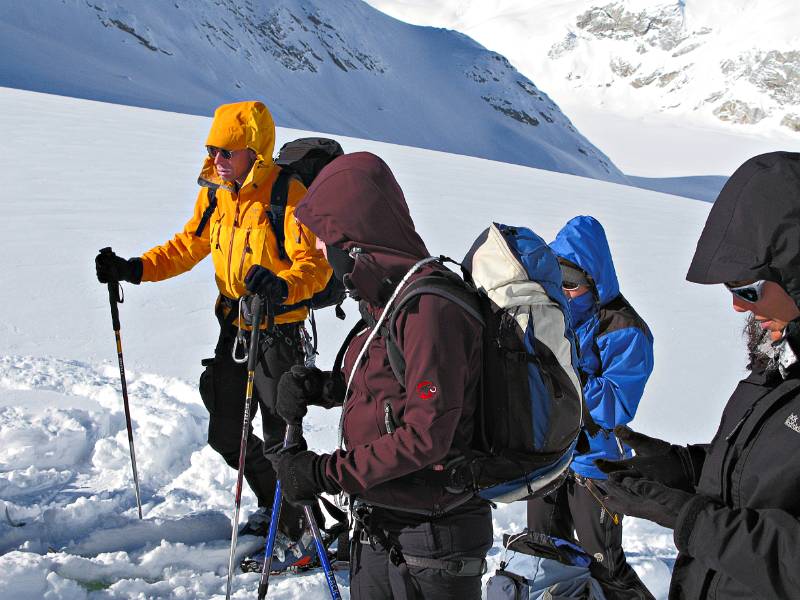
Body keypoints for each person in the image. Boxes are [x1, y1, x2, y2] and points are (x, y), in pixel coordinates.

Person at [94, 101, 332, 557]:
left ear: (254, 152)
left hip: (278, 333)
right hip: (235, 326)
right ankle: (273, 504)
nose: (218, 159)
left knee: (282, 436)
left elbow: (316, 266)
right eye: (213, 149)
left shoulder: (289, 194)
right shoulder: (217, 193)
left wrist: (282, 286)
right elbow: (190, 244)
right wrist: (135, 268)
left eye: (227, 150)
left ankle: (303, 531)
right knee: (226, 433)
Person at [269, 152, 493, 599]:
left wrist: (324, 474)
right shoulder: (386, 300)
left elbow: (426, 436)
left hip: (431, 538)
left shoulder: (431, 310)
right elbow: (392, 388)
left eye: (323, 237)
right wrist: (323, 388)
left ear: (354, 239)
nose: (317, 250)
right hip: (381, 520)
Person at [598, 151, 800, 599]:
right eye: (732, 289)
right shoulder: (782, 359)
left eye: (748, 289)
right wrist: (688, 467)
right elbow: (778, 474)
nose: (737, 306)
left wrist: (690, 518)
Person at [526, 216, 655, 600]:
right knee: (543, 554)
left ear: (594, 282)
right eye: (557, 282)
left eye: (572, 285)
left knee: (604, 565)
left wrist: (567, 374)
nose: (564, 293)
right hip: (548, 457)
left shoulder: (624, 329)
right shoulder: (548, 315)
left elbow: (616, 404)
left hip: (594, 465)